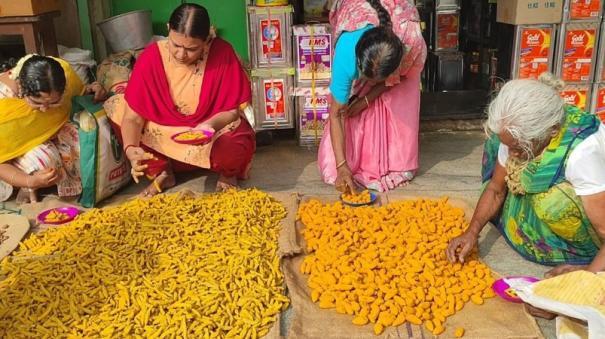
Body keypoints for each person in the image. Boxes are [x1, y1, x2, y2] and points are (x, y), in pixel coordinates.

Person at [446, 74, 605, 317]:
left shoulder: (583, 154)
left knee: (552, 202)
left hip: (596, 227)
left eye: (519, 147)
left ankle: (589, 260)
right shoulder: (516, 134)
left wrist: (569, 298)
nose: (512, 153)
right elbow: (496, 189)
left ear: (550, 131)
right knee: (499, 161)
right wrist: (471, 232)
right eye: (510, 146)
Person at [107, 3, 255, 196]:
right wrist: (130, 149)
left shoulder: (222, 54)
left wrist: (208, 127)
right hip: (165, 136)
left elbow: (231, 110)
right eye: (176, 45)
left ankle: (227, 175)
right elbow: (133, 117)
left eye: (192, 49)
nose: (181, 54)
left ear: (206, 40)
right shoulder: (151, 57)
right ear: (168, 29)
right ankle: (163, 171)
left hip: (208, 135)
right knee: (116, 107)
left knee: (234, 142)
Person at [317, 0, 427, 193]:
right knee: (348, 107)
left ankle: (394, 163)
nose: (370, 83)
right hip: (358, 14)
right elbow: (336, 114)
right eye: (366, 77)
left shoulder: (411, 41)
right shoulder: (346, 51)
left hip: (400, 31)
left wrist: (367, 100)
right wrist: (342, 167)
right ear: (359, 61)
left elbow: (399, 78)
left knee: (400, 96)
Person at [0, 55, 106, 203]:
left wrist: (92, 89)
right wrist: (29, 181)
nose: (44, 109)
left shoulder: (65, 76)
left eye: (53, 103)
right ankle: (24, 187)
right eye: (37, 103)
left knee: (86, 138)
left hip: (49, 134)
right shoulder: (4, 105)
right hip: (8, 156)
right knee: (45, 161)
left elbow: (76, 93)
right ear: (21, 88)